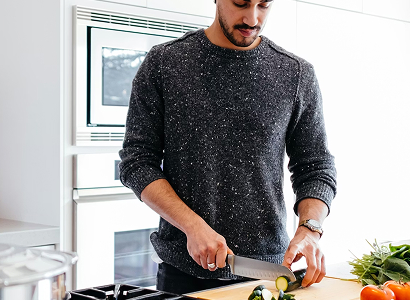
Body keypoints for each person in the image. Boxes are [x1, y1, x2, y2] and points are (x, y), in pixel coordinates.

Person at [117, 0, 337, 295]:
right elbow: (136, 162)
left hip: (266, 274)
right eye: (241, 3)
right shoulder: (165, 63)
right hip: (183, 275)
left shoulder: (296, 74)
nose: (252, 17)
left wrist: (310, 228)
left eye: (263, 5)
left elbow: (316, 167)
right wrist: (192, 226)